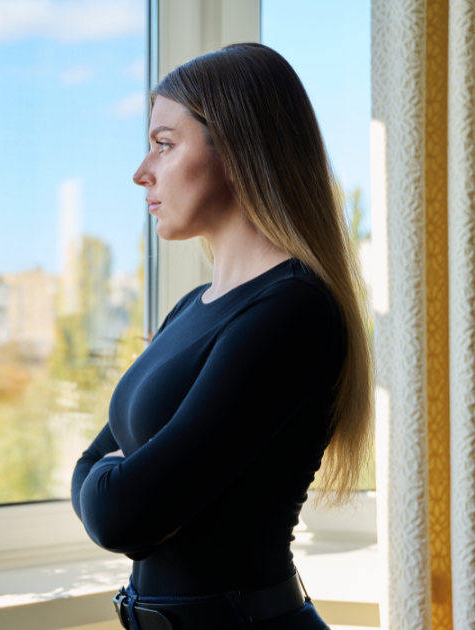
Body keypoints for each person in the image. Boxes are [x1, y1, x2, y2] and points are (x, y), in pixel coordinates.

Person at [70, 43, 373, 630]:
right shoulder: (191, 308)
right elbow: (90, 464)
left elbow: (120, 518)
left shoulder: (293, 311)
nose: (141, 172)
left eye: (164, 143)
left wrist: (120, 481)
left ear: (236, 147)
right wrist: (117, 478)